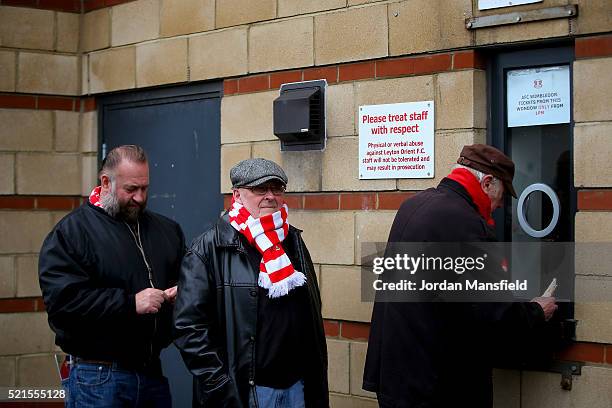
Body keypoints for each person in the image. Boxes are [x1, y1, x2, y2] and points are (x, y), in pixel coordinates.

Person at [363, 144, 557, 408]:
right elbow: (492, 310)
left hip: (399, 376)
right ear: (487, 182)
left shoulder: (414, 205)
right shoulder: (463, 221)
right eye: (501, 196)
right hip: (435, 387)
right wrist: (536, 311)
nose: (499, 206)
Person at [174, 158, 329, 408]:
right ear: (236, 195)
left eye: (276, 188)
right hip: (247, 392)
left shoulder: (293, 241)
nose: (270, 196)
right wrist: (221, 386)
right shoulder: (209, 247)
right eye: (259, 189)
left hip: (296, 386)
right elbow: (189, 327)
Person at [39, 145, 185, 407]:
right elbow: (62, 305)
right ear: (106, 182)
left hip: (152, 374)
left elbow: (186, 282)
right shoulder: (72, 233)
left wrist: (181, 293)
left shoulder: (167, 230)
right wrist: (130, 303)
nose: (140, 198)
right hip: (97, 377)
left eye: (145, 188)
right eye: (131, 189)